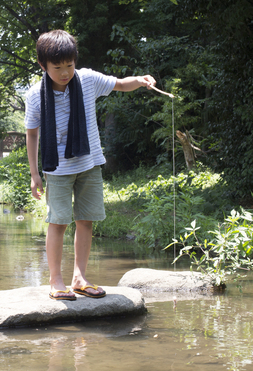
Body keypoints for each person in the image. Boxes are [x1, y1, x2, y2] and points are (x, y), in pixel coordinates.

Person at [25, 29, 156, 301]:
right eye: (57, 68)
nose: (65, 73)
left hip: (90, 163)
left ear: (75, 60)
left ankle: (79, 278)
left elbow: (120, 84)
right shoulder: (36, 95)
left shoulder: (87, 79)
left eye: (69, 65)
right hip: (57, 169)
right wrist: (35, 174)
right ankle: (56, 280)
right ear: (42, 65)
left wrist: (141, 80)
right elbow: (32, 133)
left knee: (86, 221)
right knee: (57, 222)